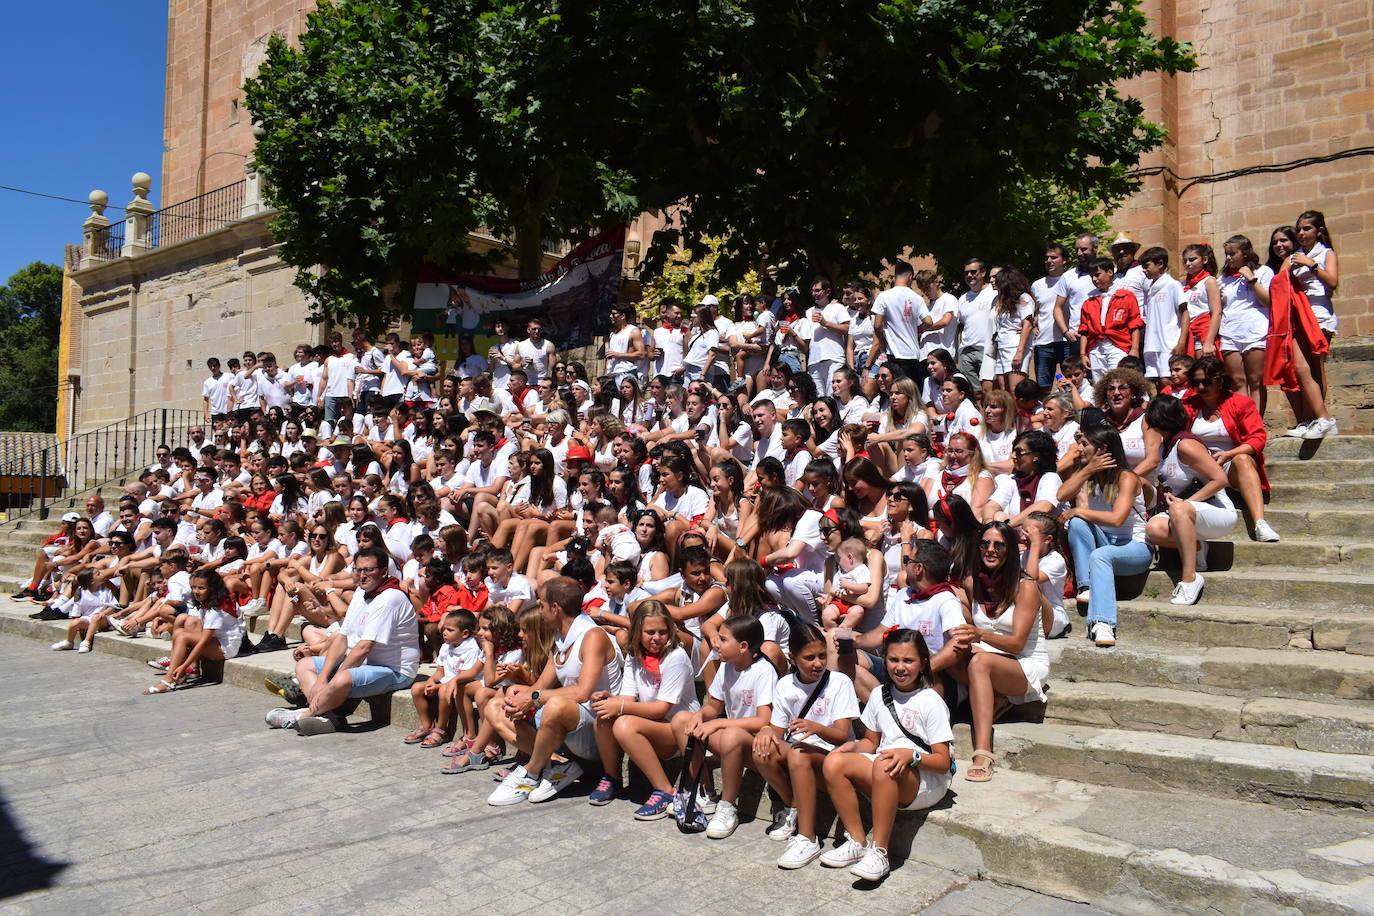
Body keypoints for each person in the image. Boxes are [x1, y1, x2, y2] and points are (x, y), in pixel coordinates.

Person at [821, 627, 953, 881]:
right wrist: (853, 748)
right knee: (834, 761)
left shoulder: (930, 700)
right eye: (893, 660)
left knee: (885, 765)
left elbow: (942, 762)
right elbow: (871, 742)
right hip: (887, 769)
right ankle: (857, 841)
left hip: (925, 778)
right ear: (885, 660)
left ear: (923, 663)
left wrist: (911, 756)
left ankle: (880, 852)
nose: (900, 667)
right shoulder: (880, 695)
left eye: (908, 661)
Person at [488, 576, 622, 805]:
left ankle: (530, 773)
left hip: (598, 731)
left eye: (541, 605)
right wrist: (520, 700)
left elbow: (582, 692)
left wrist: (534, 699)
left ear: (555, 608)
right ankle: (559, 765)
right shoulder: (560, 639)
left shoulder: (592, 636)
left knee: (555, 704)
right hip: (570, 726)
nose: (539, 611)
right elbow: (539, 687)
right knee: (497, 704)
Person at [265, 546, 419, 735]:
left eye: (368, 570)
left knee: (343, 676)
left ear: (384, 571)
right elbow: (342, 639)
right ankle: (328, 717)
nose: (362, 575)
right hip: (365, 664)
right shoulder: (361, 593)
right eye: (358, 570)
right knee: (305, 665)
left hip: (395, 671)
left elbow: (364, 647)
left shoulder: (390, 598)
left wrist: (332, 680)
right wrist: (322, 679)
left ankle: (305, 715)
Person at [948, 520, 1048, 781]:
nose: (990, 550)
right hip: (988, 654)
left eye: (998, 545)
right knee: (949, 650)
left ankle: (983, 753)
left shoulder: (1025, 586)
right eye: (984, 544)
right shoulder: (973, 583)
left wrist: (979, 634)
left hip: (1024, 662)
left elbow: (1016, 643)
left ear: (1011, 550)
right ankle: (995, 699)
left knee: (979, 664)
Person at [756, 622, 860, 868]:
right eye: (809, 657)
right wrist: (765, 730)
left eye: (822, 656)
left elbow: (842, 735)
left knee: (799, 754)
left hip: (833, 755)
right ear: (793, 658)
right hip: (799, 752)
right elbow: (778, 732)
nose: (818, 663)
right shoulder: (784, 685)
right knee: (762, 748)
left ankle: (808, 837)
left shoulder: (839, 682)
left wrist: (817, 728)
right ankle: (792, 805)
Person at [589, 600, 699, 814]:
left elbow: (661, 709)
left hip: (679, 730)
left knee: (624, 725)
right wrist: (611, 699)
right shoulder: (635, 654)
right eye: (650, 632)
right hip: (654, 724)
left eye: (662, 632)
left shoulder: (675, 657)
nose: (656, 638)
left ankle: (665, 790)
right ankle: (612, 777)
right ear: (638, 631)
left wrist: (619, 706)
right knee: (603, 718)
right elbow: (628, 697)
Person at [673, 615, 778, 839]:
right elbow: (713, 706)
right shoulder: (726, 666)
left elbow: (763, 721)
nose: (716, 643)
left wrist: (720, 722)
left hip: (757, 745)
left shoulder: (763, 671)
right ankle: (704, 792)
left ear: (743, 647)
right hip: (731, 738)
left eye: (722, 639)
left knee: (730, 735)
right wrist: (700, 716)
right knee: (682, 719)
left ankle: (728, 806)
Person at [1142, 395, 1238, 607]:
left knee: (1179, 510)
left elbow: (1220, 479)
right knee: (1153, 529)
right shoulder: (1165, 447)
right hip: (1190, 513)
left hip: (1218, 513)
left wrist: (1184, 505)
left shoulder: (1186, 444)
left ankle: (1190, 578)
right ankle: (1196, 547)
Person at [1058, 426, 1149, 648]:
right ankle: (1086, 585)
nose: (1079, 448)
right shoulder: (1088, 476)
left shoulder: (1126, 477)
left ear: (1103, 449)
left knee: (1098, 551)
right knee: (1078, 524)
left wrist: (1079, 510)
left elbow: (1117, 519)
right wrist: (1088, 470)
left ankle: (1103, 623)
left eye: (1085, 444)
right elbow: (1061, 495)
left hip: (1135, 549)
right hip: (1105, 542)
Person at [1184, 356, 1276, 542]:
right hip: (1198, 466)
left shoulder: (1240, 403)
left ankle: (1259, 522)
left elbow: (1258, 438)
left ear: (1220, 380)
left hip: (1229, 464)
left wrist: (1229, 454)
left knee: (1242, 459)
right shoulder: (1189, 405)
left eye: (1207, 382)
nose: (1201, 387)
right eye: (1196, 382)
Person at [1266, 225, 1334, 439]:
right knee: (1295, 371)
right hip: (1289, 321)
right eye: (1275, 241)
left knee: (1310, 369)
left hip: (1311, 317)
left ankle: (1322, 418)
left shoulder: (1308, 256)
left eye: (1284, 240)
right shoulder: (1282, 264)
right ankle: (1308, 420)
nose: (1279, 245)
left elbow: (1332, 282)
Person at [142, 569, 245, 694]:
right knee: (182, 619)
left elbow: (203, 642)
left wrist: (184, 666)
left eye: (201, 588)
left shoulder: (215, 609)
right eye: (194, 587)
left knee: (182, 636)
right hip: (216, 640)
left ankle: (169, 680)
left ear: (212, 588)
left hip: (226, 646)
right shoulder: (205, 601)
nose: (196, 591)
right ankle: (183, 668)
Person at [404, 609, 484, 748]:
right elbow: (440, 671)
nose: (444, 632)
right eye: (444, 628)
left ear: (464, 633)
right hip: (446, 682)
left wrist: (438, 687)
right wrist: (431, 682)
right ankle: (427, 725)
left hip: (463, 684)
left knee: (443, 691)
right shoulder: (446, 646)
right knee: (417, 688)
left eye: (450, 630)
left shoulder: (471, 648)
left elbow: (464, 677)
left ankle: (441, 729)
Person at [1218, 234, 1273, 415]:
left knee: (1256, 381)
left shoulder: (1263, 272)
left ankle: (1256, 424)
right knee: (1238, 381)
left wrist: (1251, 279)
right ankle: (1244, 422)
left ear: (1245, 253)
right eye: (1226, 254)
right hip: (1230, 333)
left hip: (1255, 331)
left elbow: (1268, 301)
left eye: (1232, 253)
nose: (1228, 258)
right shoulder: (1223, 279)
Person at [1078, 257, 1144, 377]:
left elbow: (1134, 324)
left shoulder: (1125, 296)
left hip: (1118, 346)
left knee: (1118, 379)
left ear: (1110, 272)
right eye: (1092, 276)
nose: (1094, 279)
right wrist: (1083, 354)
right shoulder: (1089, 301)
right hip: (1096, 348)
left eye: (1097, 275)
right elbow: (1084, 330)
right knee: (1099, 384)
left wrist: (1134, 349)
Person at [1032, 243, 1071, 389]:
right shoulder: (1037, 285)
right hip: (1044, 342)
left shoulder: (1071, 280)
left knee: (1070, 385)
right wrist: (1033, 327)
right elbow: (1034, 311)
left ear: (1064, 260)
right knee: (1043, 387)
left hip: (1067, 341)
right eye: (1047, 258)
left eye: (1054, 257)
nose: (1049, 261)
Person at [954, 258, 995, 383]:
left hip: (988, 350)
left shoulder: (994, 292)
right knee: (974, 393)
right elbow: (958, 327)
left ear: (983, 273)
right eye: (966, 273)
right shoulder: (962, 299)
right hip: (966, 352)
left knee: (991, 391)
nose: (969, 276)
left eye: (973, 272)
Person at [1179, 243, 1222, 360]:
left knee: (1202, 372)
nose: (1188, 264)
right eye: (1185, 261)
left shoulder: (1209, 281)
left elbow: (1217, 312)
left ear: (1205, 260)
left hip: (1203, 332)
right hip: (1186, 333)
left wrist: (1209, 342)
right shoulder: (1182, 285)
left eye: (1192, 259)